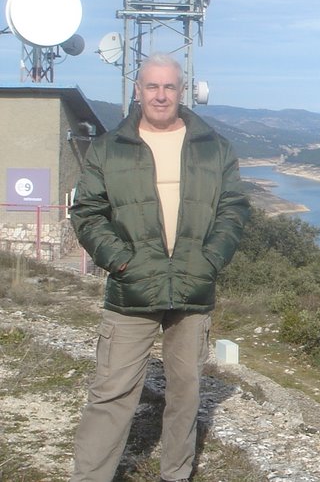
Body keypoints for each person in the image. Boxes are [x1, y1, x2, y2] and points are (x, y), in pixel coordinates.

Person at [69, 53, 250, 482]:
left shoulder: (214, 147)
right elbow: (87, 212)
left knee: (185, 393)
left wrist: (210, 260)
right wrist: (121, 260)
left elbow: (233, 209)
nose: (161, 95)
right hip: (131, 290)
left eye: (169, 87)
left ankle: (175, 474)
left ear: (182, 91)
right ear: (137, 91)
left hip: (192, 291)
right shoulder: (109, 148)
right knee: (111, 393)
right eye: (152, 86)